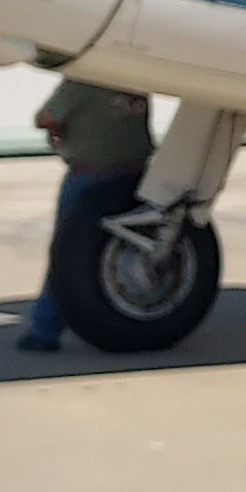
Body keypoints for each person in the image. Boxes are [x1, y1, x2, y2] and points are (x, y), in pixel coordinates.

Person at [18, 79, 155, 352]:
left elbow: (46, 118)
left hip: (91, 177)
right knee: (135, 244)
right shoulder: (137, 80)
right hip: (136, 175)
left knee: (68, 253)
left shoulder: (82, 82)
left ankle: (45, 328)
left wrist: (60, 130)